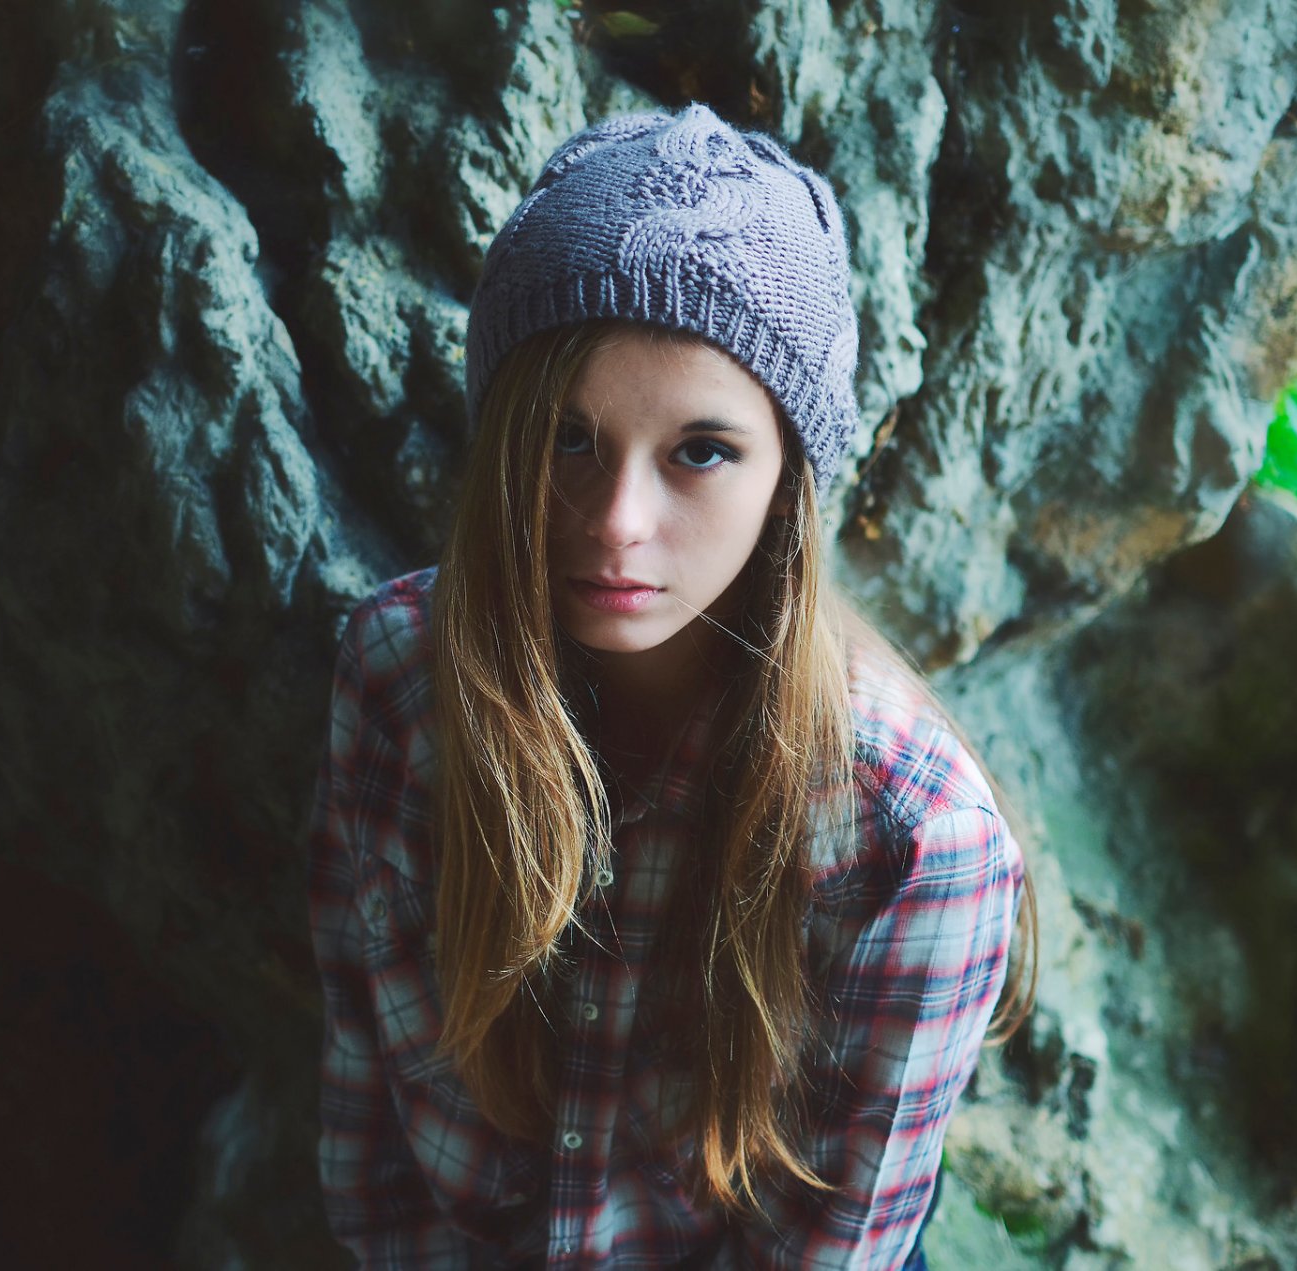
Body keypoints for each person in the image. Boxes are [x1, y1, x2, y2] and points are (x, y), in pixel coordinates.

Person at [306, 101, 1038, 1270]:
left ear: (789, 480)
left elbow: (827, 1250)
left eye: (702, 449)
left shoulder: (915, 840)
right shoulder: (400, 677)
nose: (615, 524)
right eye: (568, 437)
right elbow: (367, 1115)